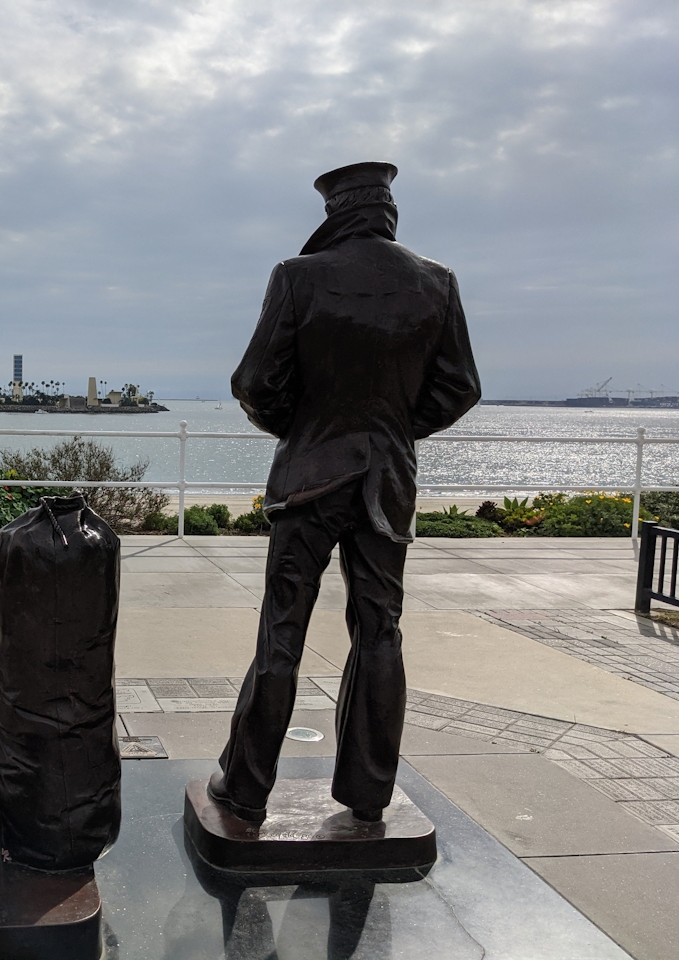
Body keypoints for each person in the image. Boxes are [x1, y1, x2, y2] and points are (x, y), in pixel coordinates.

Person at [210, 162, 481, 824]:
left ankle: (245, 789)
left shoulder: (298, 277)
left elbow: (253, 381)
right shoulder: (436, 282)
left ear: (334, 213)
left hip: (309, 476)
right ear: (388, 209)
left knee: (282, 630)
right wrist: (388, 430)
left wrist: (308, 429)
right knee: (380, 629)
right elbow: (459, 386)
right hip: (386, 481)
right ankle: (368, 792)